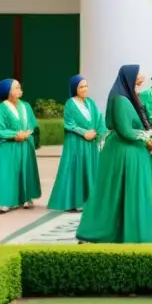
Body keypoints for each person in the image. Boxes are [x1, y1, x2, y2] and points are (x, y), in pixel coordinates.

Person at [76, 65, 152, 243]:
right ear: (127, 78)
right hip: (123, 153)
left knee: (123, 193)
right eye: (137, 77)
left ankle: (125, 233)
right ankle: (102, 232)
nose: (140, 80)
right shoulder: (120, 99)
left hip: (132, 152)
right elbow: (125, 131)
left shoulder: (129, 98)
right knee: (113, 194)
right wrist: (148, 137)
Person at [0, 78, 41, 214]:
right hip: (8, 146)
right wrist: (14, 134)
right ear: (7, 92)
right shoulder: (1, 109)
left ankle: (23, 197)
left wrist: (27, 133)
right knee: (5, 172)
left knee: (23, 170)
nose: (20, 90)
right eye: (16, 88)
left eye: (20, 87)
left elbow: (32, 124)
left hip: (25, 145)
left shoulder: (26, 106)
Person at [48, 75, 107, 212]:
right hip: (76, 143)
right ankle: (75, 202)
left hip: (91, 143)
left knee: (91, 169)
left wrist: (97, 133)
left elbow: (99, 119)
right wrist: (84, 133)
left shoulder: (90, 102)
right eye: (81, 86)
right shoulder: (70, 103)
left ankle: (90, 201)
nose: (84, 89)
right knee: (76, 169)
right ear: (75, 89)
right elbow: (69, 124)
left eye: (86, 86)